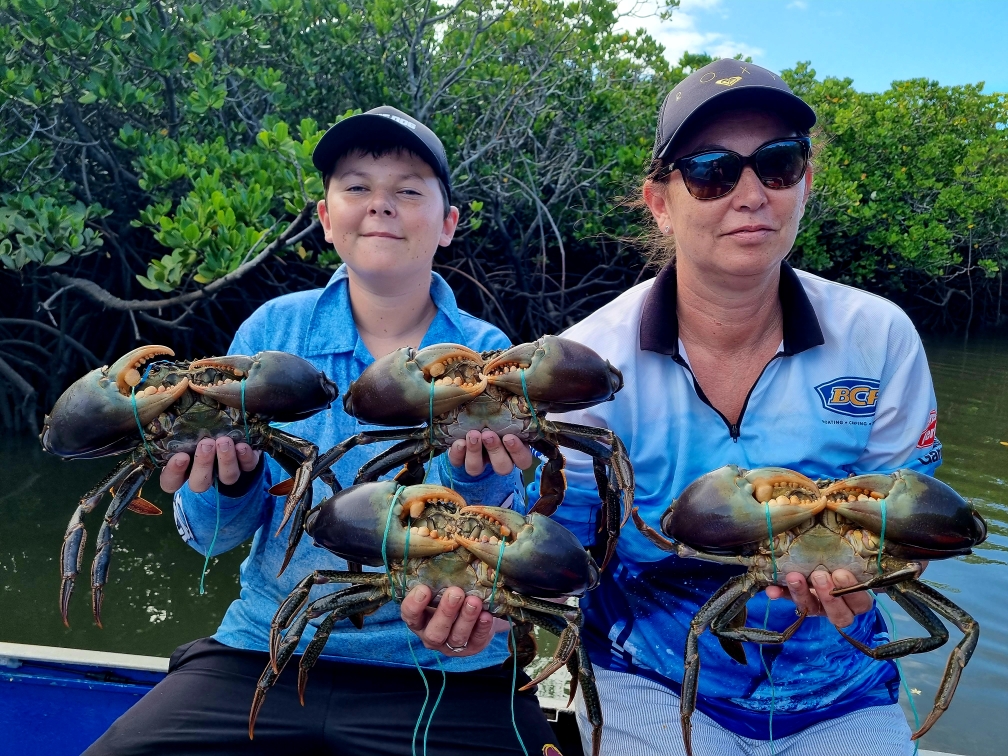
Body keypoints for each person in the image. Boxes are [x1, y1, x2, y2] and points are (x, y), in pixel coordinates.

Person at [440, 60, 940, 755]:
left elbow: (919, 522)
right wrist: (490, 595)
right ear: (660, 202)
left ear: (805, 184)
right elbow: (569, 545)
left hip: (843, 690)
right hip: (648, 680)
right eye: (711, 172)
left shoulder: (880, 337)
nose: (750, 195)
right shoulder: (587, 364)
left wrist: (879, 568)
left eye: (778, 164)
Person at [85, 106, 558, 756]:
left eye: (408, 190)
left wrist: (480, 472)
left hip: (441, 668)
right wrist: (228, 477)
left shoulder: (488, 351)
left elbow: (503, 538)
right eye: (357, 187)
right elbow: (216, 540)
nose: (380, 206)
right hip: (269, 646)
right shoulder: (271, 336)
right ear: (325, 219)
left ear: (448, 224)